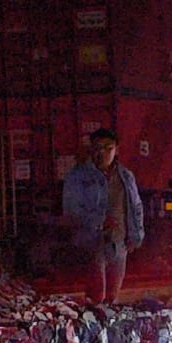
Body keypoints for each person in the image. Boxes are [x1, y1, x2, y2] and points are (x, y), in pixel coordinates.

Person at [62, 128, 145, 304]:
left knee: (113, 295)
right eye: (98, 148)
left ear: (116, 150)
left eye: (108, 148)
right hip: (92, 242)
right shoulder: (78, 177)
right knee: (96, 296)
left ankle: (109, 326)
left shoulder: (126, 177)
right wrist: (98, 221)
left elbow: (136, 207)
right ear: (91, 150)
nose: (103, 153)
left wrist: (136, 235)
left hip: (119, 243)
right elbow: (71, 209)